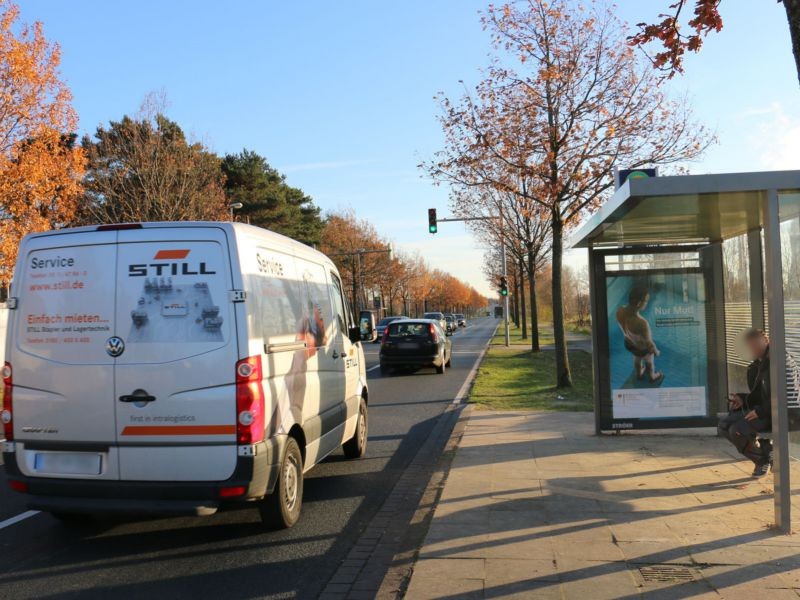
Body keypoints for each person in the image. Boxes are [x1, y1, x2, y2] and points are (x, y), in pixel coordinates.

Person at [718, 329, 772, 477]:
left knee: (737, 429)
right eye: (750, 346)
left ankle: (764, 458)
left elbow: (782, 395)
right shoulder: (756, 366)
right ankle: (763, 457)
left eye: (756, 344)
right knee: (723, 426)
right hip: (760, 409)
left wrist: (760, 412)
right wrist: (742, 399)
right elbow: (759, 395)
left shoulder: (777, 361)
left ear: (766, 340)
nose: (753, 349)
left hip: (773, 413)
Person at [616, 286, 663, 383]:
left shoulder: (619, 311)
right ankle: (652, 376)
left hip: (629, 344)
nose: (647, 303)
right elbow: (649, 344)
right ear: (638, 303)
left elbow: (622, 326)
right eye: (646, 300)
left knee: (637, 358)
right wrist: (656, 352)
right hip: (642, 348)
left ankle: (639, 374)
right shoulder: (642, 323)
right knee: (649, 362)